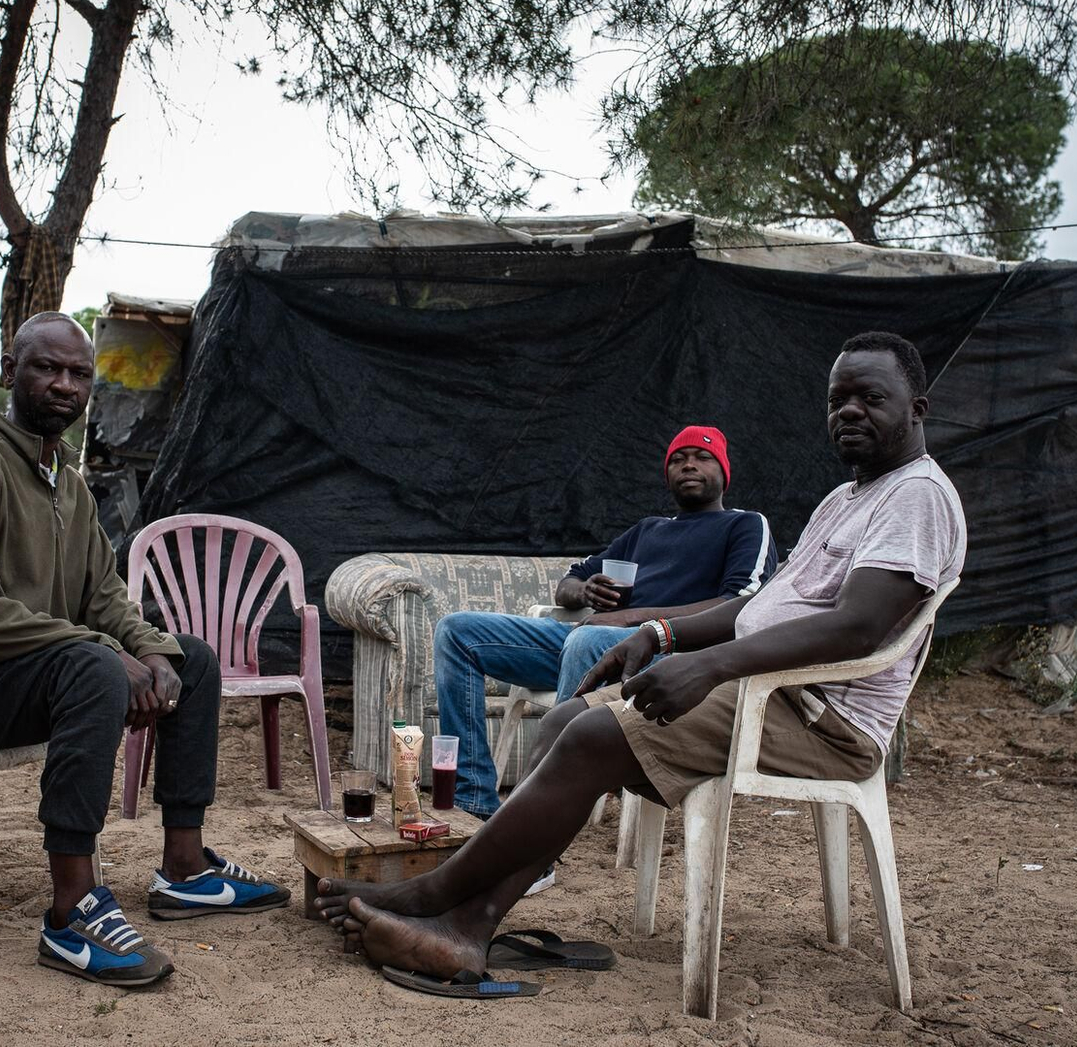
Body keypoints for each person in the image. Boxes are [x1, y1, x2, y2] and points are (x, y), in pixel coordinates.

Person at [314, 331, 966, 989]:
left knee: (594, 734)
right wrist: (658, 632)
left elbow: (858, 626)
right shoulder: (844, 500)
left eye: (869, 397)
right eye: (838, 399)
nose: (848, 411)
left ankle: (432, 899)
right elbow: (761, 607)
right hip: (771, 694)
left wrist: (713, 665)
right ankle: (469, 921)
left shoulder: (917, 496)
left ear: (917, 407)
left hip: (821, 718)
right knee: (565, 721)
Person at [0, 312, 289, 988]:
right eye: (47, 367)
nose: (64, 384)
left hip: (19, 677)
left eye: (79, 373)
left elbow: (104, 595)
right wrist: (111, 653)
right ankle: (71, 910)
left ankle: (185, 869)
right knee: (93, 663)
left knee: (192, 657)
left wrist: (154, 654)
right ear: (9, 371)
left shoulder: (67, 487)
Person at [434, 425, 775, 822]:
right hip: (591, 644)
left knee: (592, 636)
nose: (689, 465)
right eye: (678, 459)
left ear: (724, 472)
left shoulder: (745, 524)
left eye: (703, 457)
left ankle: (532, 822)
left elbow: (742, 603)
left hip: (665, 656)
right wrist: (585, 592)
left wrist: (630, 618)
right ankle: (473, 801)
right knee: (457, 631)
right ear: (666, 474)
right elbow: (570, 581)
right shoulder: (648, 530)